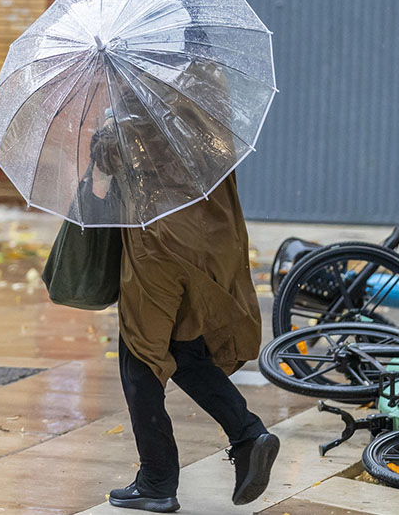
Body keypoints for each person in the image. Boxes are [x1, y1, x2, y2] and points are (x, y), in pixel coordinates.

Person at [91, 46, 279, 512]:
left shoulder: (140, 91)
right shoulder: (205, 84)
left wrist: (105, 130)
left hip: (158, 241)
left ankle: (157, 481)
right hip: (207, 236)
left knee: (140, 354)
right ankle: (248, 434)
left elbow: (111, 162)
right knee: (185, 348)